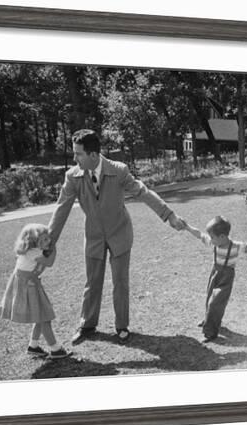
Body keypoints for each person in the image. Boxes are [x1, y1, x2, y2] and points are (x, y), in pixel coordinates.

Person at [46, 129, 185, 345]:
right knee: (92, 282)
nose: (74, 159)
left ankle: (122, 326)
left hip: (120, 234)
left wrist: (169, 215)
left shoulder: (118, 170)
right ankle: (87, 325)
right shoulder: (72, 176)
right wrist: (48, 241)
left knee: (120, 282)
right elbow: (61, 209)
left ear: (93, 155)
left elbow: (143, 192)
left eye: (78, 154)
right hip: (93, 237)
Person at [183, 216, 247, 342]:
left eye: (212, 237)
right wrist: (187, 226)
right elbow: (199, 234)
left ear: (222, 237)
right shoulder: (214, 242)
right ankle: (208, 319)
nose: (210, 239)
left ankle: (210, 333)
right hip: (215, 273)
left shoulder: (236, 246)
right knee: (209, 297)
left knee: (215, 303)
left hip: (226, 277)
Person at [0, 223, 71, 359]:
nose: (48, 241)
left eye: (48, 238)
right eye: (43, 240)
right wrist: (54, 248)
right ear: (32, 242)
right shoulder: (33, 252)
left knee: (40, 315)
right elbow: (49, 263)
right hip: (28, 285)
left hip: (30, 283)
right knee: (44, 317)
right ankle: (55, 349)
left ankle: (34, 346)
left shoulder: (31, 250)